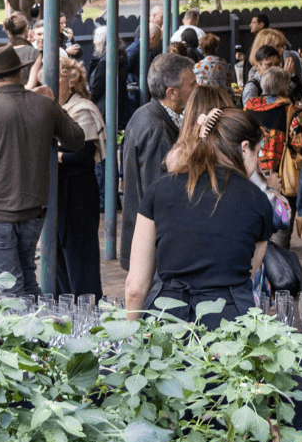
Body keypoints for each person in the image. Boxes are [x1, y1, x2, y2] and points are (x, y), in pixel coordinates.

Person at [125, 108, 273, 327]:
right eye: (257, 153)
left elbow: (135, 288)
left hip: (166, 323)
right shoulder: (258, 201)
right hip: (229, 327)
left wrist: (131, 340)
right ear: (244, 148)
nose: (257, 162)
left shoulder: (159, 190)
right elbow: (247, 273)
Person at [0, 43, 86, 297]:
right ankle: (38, 333)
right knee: (26, 280)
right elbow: (76, 140)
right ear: (20, 72)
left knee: (11, 290)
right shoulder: (44, 105)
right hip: (33, 210)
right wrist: (54, 104)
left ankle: (28, 334)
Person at [119, 53, 197, 270]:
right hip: (153, 250)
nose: (197, 89)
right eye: (192, 85)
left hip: (148, 244)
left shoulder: (146, 114)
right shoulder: (157, 129)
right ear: (172, 93)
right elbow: (162, 195)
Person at [55, 57, 105, 297]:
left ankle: (87, 316)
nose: (50, 83)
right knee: (59, 259)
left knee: (79, 259)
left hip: (78, 194)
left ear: (71, 82)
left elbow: (84, 156)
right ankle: (64, 316)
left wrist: (54, 156)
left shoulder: (81, 109)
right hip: (58, 193)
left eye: (56, 78)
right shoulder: (53, 108)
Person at [246, 68, 300, 175]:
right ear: (284, 87)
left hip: (250, 167)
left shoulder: (248, 107)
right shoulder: (289, 109)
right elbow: (298, 142)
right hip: (278, 169)